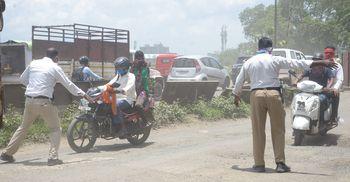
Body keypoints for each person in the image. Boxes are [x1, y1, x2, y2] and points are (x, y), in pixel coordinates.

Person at [233, 37, 336, 173]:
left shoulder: (249, 62)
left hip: (256, 95)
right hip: (274, 95)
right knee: (278, 130)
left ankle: (259, 164)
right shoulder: (275, 59)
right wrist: (322, 62)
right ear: (270, 48)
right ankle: (280, 164)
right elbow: (297, 63)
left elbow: (239, 81)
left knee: (258, 131)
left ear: (258, 48)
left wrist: (236, 95)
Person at [0, 48, 93, 166]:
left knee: (23, 127)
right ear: (56, 58)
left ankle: (7, 154)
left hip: (29, 100)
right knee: (55, 128)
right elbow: (68, 84)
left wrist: (35, 86)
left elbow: (22, 79)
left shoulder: (34, 63)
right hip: (44, 102)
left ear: (45, 55)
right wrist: (84, 94)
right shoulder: (55, 67)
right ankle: (53, 158)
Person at [296, 53, 334, 127]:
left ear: (322, 61)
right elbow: (301, 76)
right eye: (315, 60)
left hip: (321, 92)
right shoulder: (309, 69)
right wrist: (296, 82)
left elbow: (331, 79)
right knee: (298, 98)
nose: (317, 62)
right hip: (309, 92)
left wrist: (328, 87)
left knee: (320, 100)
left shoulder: (327, 70)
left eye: (318, 60)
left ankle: (321, 122)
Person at [108, 57, 136, 136]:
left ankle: (123, 128)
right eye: (117, 68)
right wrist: (99, 89)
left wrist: (123, 90)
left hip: (127, 98)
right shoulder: (118, 76)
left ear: (126, 67)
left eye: (120, 68)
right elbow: (109, 84)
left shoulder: (131, 76)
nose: (118, 69)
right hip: (116, 97)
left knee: (116, 105)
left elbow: (130, 85)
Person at [324, 46, 343, 123]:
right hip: (318, 87)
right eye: (326, 53)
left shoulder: (337, 66)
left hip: (330, 89)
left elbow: (340, 79)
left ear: (333, 54)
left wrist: (335, 88)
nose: (328, 54)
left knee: (336, 94)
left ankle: (334, 116)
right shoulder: (321, 63)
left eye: (330, 53)